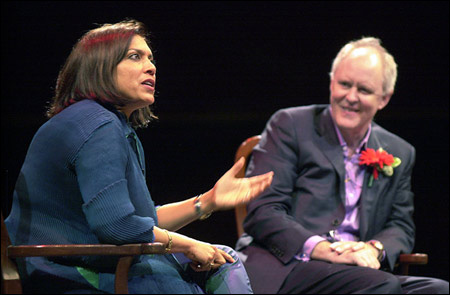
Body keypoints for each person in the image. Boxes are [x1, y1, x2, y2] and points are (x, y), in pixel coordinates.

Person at [4, 19, 274, 294]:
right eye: (135, 57)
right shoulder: (97, 125)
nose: (151, 66)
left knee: (221, 258)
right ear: (101, 66)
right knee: (223, 263)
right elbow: (118, 226)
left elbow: (138, 221)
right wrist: (189, 244)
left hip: (84, 265)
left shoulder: (103, 123)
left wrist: (207, 201)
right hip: (77, 275)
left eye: (151, 58)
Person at [235, 37, 449, 294]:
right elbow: (264, 210)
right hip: (290, 267)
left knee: (437, 290)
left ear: (384, 98)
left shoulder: (399, 151)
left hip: (359, 273)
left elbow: (400, 225)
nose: (351, 97)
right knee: (382, 285)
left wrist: (374, 249)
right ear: (331, 82)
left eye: (364, 90)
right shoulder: (290, 125)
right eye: (344, 84)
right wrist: (322, 249)